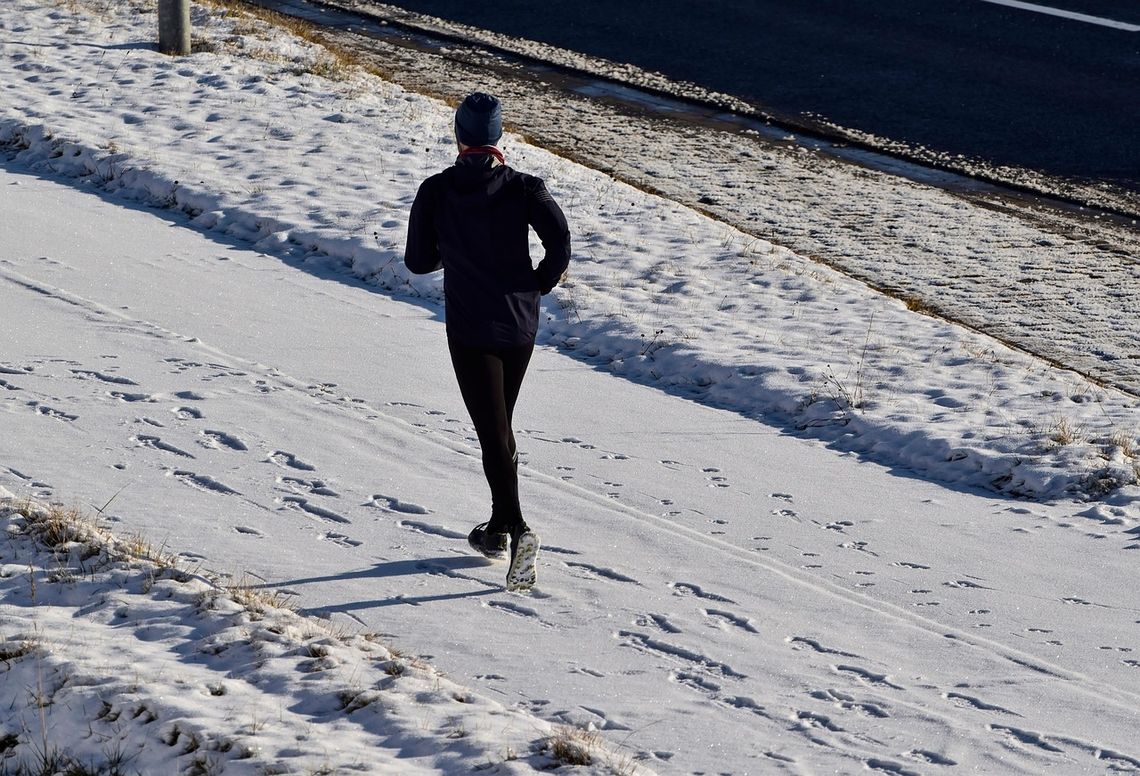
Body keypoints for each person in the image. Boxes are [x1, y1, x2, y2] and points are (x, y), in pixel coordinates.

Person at [404, 92, 571, 589]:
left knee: (493, 432)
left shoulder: (436, 190)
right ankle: (497, 528)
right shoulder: (525, 188)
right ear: (499, 137)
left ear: (459, 136)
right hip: (520, 325)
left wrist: (452, 257)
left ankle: (518, 531)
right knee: (500, 426)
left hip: (472, 328)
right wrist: (537, 283)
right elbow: (559, 243)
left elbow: (416, 261)